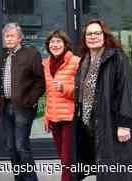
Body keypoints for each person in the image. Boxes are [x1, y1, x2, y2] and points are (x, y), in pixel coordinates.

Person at [71, 19, 132, 181]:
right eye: (89, 34)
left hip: (111, 122)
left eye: (97, 33)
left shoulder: (117, 57)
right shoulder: (85, 60)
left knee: (116, 168)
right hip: (90, 123)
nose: (93, 37)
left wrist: (124, 124)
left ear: (105, 36)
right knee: (102, 166)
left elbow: (125, 92)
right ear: (84, 38)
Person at [0, 23, 44, 181]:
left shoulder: (31, 54)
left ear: (20, 38)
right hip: (7, 107)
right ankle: (19, 178)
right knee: (11, 147)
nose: (9, 39)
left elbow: (40, 81)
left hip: (23, 108)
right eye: (6, 36)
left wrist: (30, 100)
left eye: (12, 36)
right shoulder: (4, 56)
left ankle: (31, 179)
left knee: (21, 146)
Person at [42, 30, 80, 181]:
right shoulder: (46, 64)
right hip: (54, 116)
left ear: (65, 44)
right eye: (52, 42)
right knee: (63, 157)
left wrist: (65, 88)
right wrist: (46, 116)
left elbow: (83, 91)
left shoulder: (76, 61)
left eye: (58, 42)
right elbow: (49, 94)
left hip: (69, 116)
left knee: (66, 157)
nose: (55, 45)